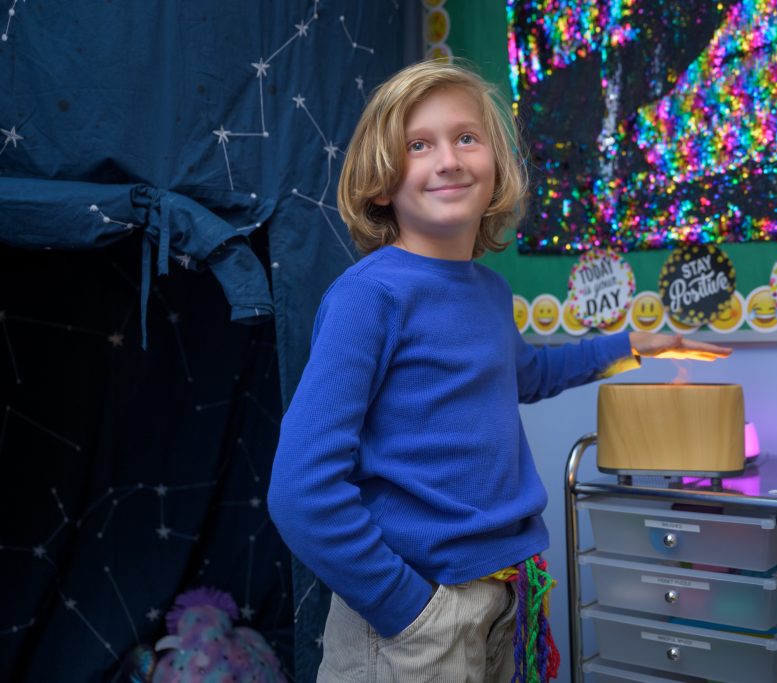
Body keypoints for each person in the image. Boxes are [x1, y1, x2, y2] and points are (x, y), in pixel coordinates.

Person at [267, 59, 731, 683]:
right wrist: (408, 609)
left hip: (502, 602)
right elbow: (301, 492)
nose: (450, 160)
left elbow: (529, 373)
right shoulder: (368, 297)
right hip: (412, 623)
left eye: (466, 137)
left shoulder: (487, 289)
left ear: (496, 165)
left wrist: (638, 345)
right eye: (418, 145)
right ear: (380, 183)